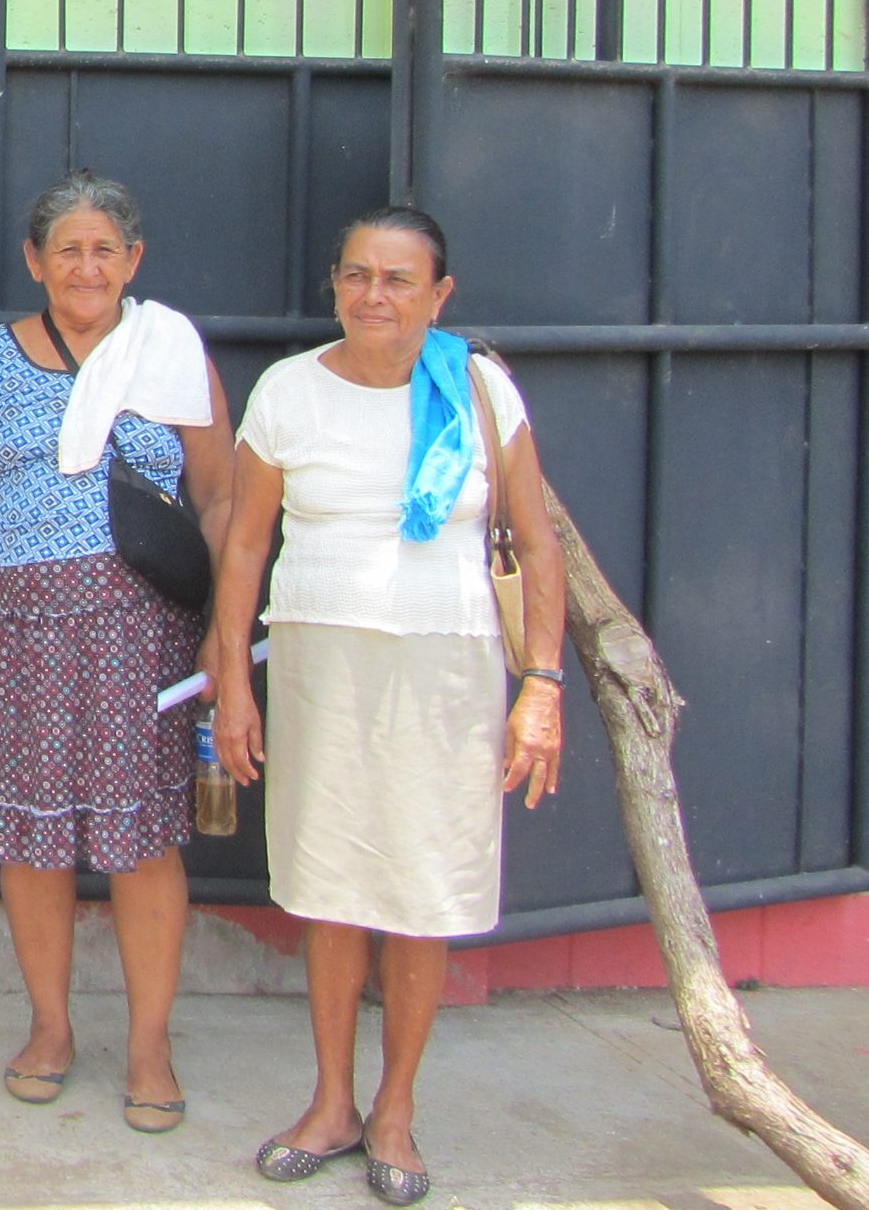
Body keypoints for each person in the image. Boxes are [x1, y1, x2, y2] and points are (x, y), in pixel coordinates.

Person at [206, 206, 568, 1206]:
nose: (374, 295)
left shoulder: (478, 390)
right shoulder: (288, 390)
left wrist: (540, 686)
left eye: (398, 278)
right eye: (356, 275)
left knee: (421, 888)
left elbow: (536, 541)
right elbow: (245, 543)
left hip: (446, 671)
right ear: (333, 284)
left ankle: (394, 1108)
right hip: (320, 667)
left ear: (438, 295)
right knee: (329, 883)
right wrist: (231, 680)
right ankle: (330, 1102)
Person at [0, 171, 232, 1129]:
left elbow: (220, 496)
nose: (86, 267)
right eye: (67, 249)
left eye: (104, 250)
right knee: (32, 837)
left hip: (145, 636)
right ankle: (50, 1028)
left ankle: (148, 1045)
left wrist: (224, 632)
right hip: (19, 633)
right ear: (35, 260)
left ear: (133, 261)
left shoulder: (169, 353)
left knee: (143, 843)